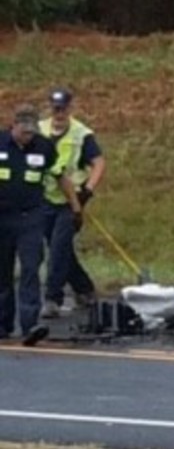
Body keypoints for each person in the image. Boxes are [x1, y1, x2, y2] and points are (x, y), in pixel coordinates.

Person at [0, 104, 83, 345]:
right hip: (2, 217)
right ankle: (3, 323)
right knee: (2, 272)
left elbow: (61, 177)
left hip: (31, 217)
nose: (28, 136)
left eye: (31, 132)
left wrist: (75, 206)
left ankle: (30, 325)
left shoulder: (44, 147)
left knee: (30, 268)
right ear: (13, 126)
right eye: (24, 131)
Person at [39, 88, 105, 318]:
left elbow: (98, 163)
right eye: (55, 108)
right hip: (43, 198)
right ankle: (84, 289)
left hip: (71, 200)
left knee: (58, 248)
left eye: (63, 108)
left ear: (70, 109)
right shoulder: (40, 130)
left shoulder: (81, 134)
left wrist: (87, 190)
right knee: (60, 247)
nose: (59, 113)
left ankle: (52, 298)